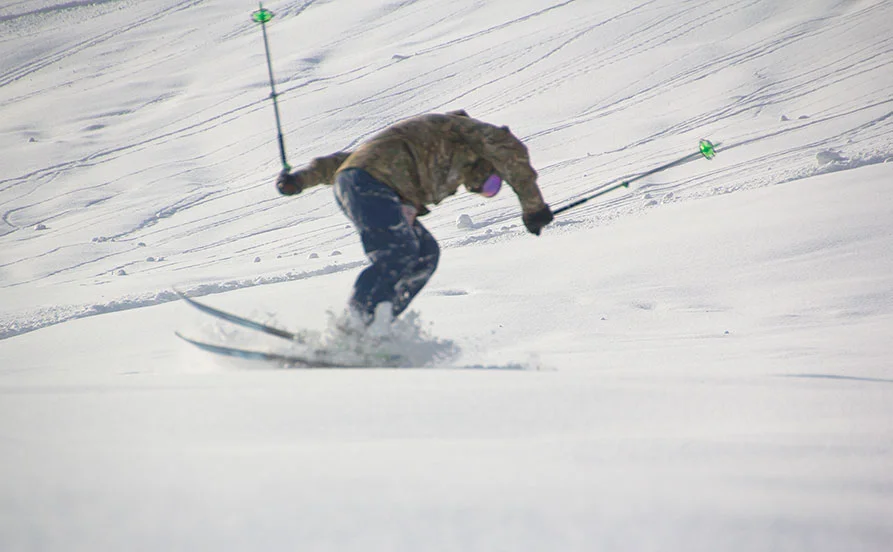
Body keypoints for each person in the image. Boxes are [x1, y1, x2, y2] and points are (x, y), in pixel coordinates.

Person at [275, 109, 553, 327]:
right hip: (369, 185)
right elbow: (508, 149)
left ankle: (378, 325)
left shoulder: (435, 145)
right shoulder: (460, 134)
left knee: (425, 254)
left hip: (366, 185)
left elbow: (345, 161)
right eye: (492, 183)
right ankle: (355, 328)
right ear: (490, 161)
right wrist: (533, 207)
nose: (481, 189)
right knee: (398, 252)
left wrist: (299, 180)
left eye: (489, 190)